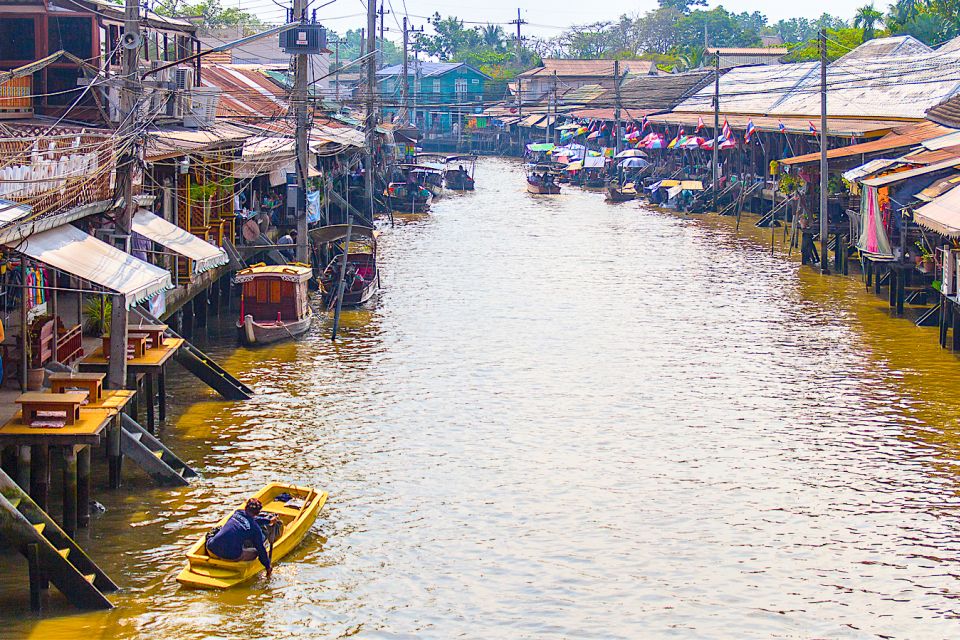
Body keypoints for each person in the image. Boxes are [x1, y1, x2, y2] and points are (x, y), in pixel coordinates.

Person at [205, 498, 281, 577]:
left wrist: (268, 521)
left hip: (211, 548)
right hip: (229, 556)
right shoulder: (255, 529)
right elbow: (261, 550)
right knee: (256, 552)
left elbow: (251, 519)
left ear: (246, 507)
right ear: (258, 513)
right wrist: (268, 567)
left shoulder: (237, 513)